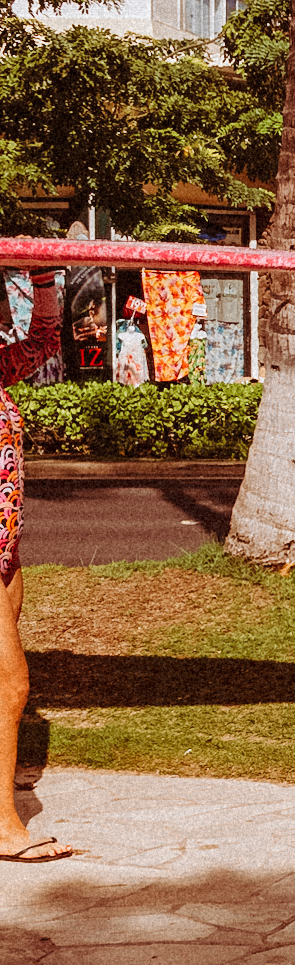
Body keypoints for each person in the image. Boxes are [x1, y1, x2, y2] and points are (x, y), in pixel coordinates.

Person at [2, 270, 77, 864]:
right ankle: (4, 827)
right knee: (10, 682)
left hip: (6, 548)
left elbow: (47, 341)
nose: (7, 305)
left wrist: (48, 275)